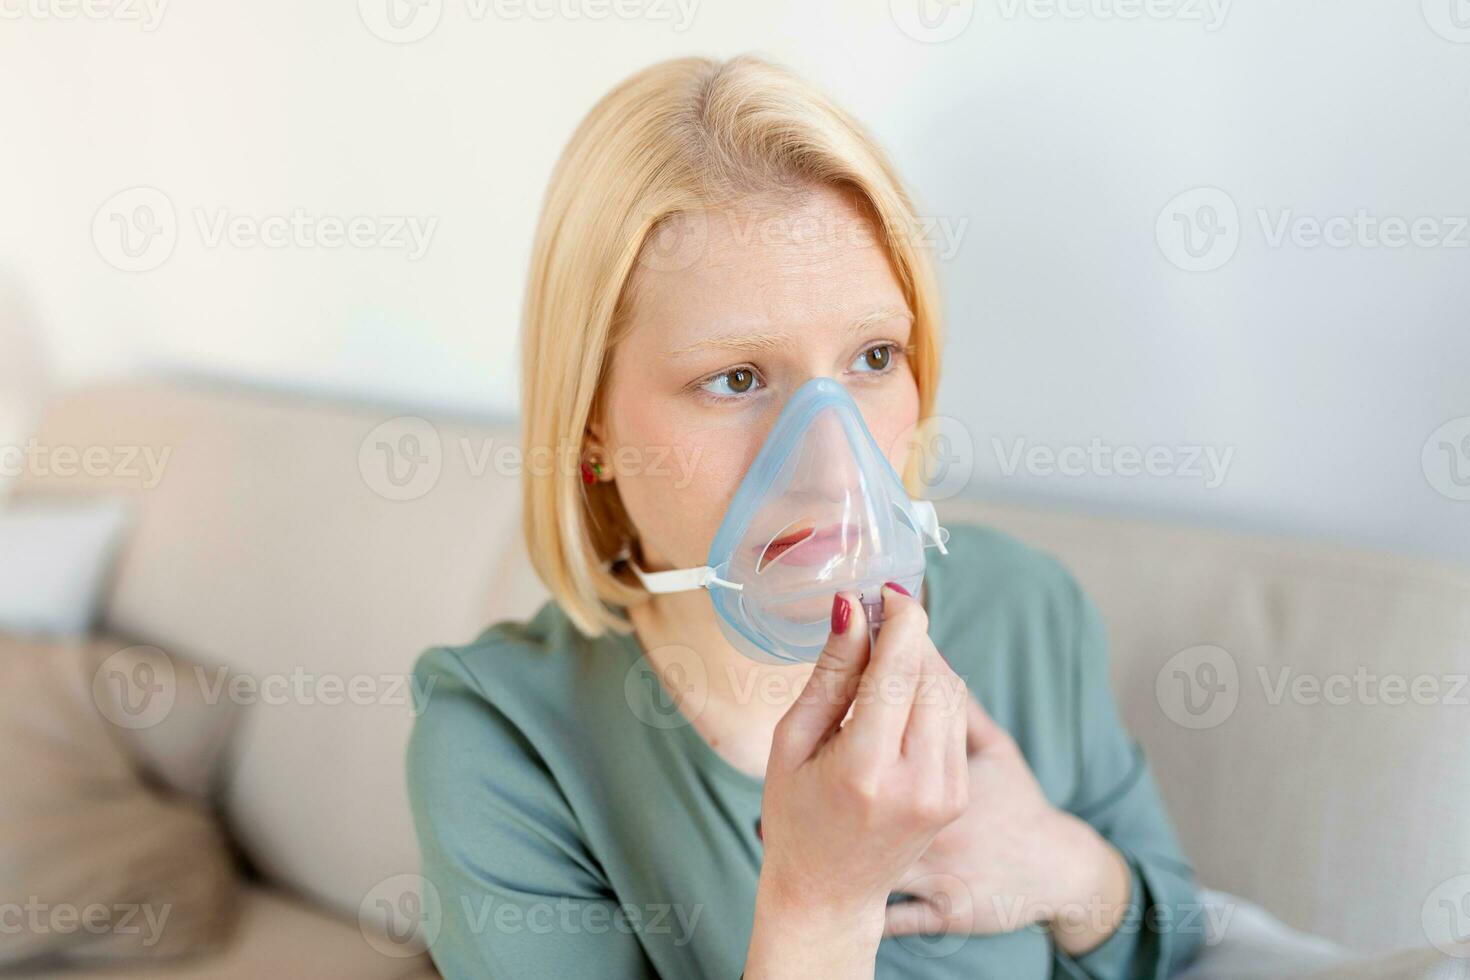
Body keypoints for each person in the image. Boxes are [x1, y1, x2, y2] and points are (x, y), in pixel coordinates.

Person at [408, 54, 1204, 979]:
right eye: (735, 379)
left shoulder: (1023, 608)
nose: (834, 467)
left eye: (873, 357)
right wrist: (818, 905)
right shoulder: (508, 745)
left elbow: (1171, 928)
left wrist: (1065, 868)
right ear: (590, 420)